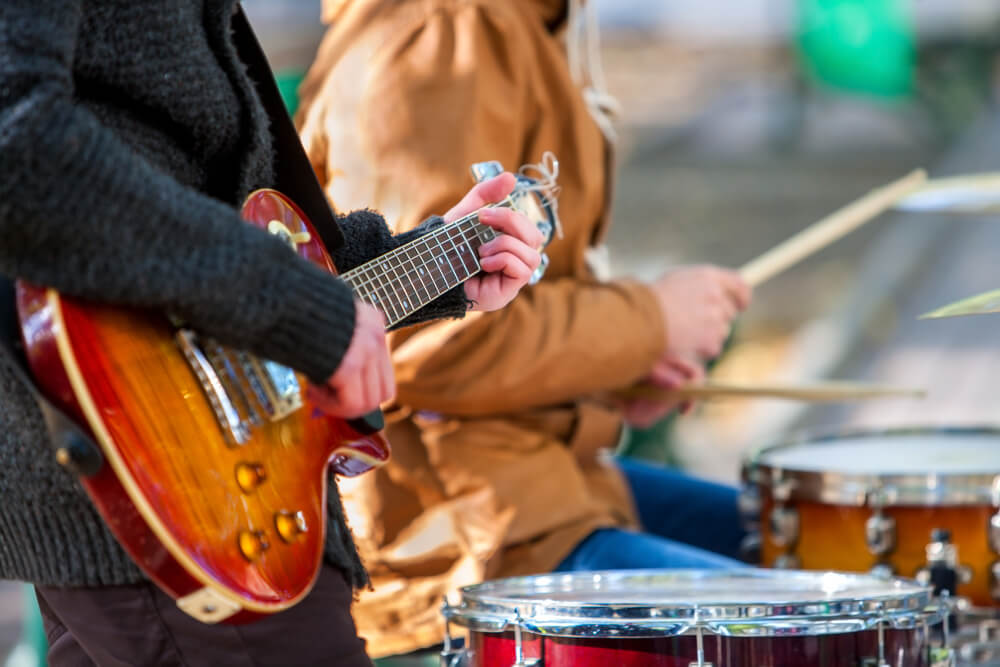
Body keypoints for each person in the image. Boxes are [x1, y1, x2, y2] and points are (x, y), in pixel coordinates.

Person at [0, 2, 544, 665]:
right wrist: (296, 304)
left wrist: (434, 262)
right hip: (157, 471)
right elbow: (16, 144)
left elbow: (230, 222)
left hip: (208, 480)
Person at [296, 0, 753, 658]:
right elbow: (419, 342)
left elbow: (506, 305)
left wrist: (620, 368)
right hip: (467, 539)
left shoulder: (507, 22)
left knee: (806, 561)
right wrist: (651, 320)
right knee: (801, 633)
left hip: (554, 479)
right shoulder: (442, 32)